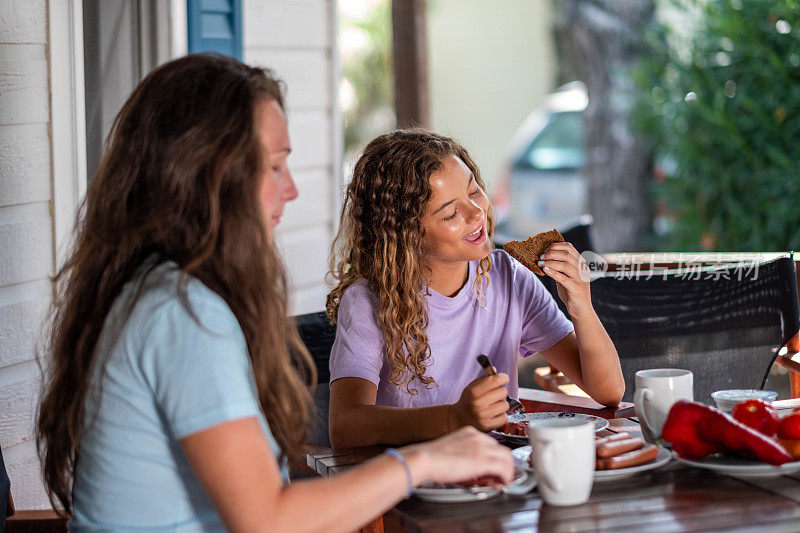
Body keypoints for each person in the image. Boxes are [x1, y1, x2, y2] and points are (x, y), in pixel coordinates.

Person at [36, 54, 513, 532]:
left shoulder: (156, 291)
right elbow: (266, 520)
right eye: (275, 167)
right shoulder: (182, 314)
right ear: (210, 176)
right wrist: (425, 462)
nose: (291, 190)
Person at [326, 129, 625, 448]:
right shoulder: (368, 302)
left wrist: (582, 306)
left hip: (500, 474)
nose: (476, 212)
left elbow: (609, 391)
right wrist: (453, 418)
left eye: (474, 190)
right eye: (451, 213)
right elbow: (345, 426)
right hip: (415, 481)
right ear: (406, 233)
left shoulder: (508, 277)